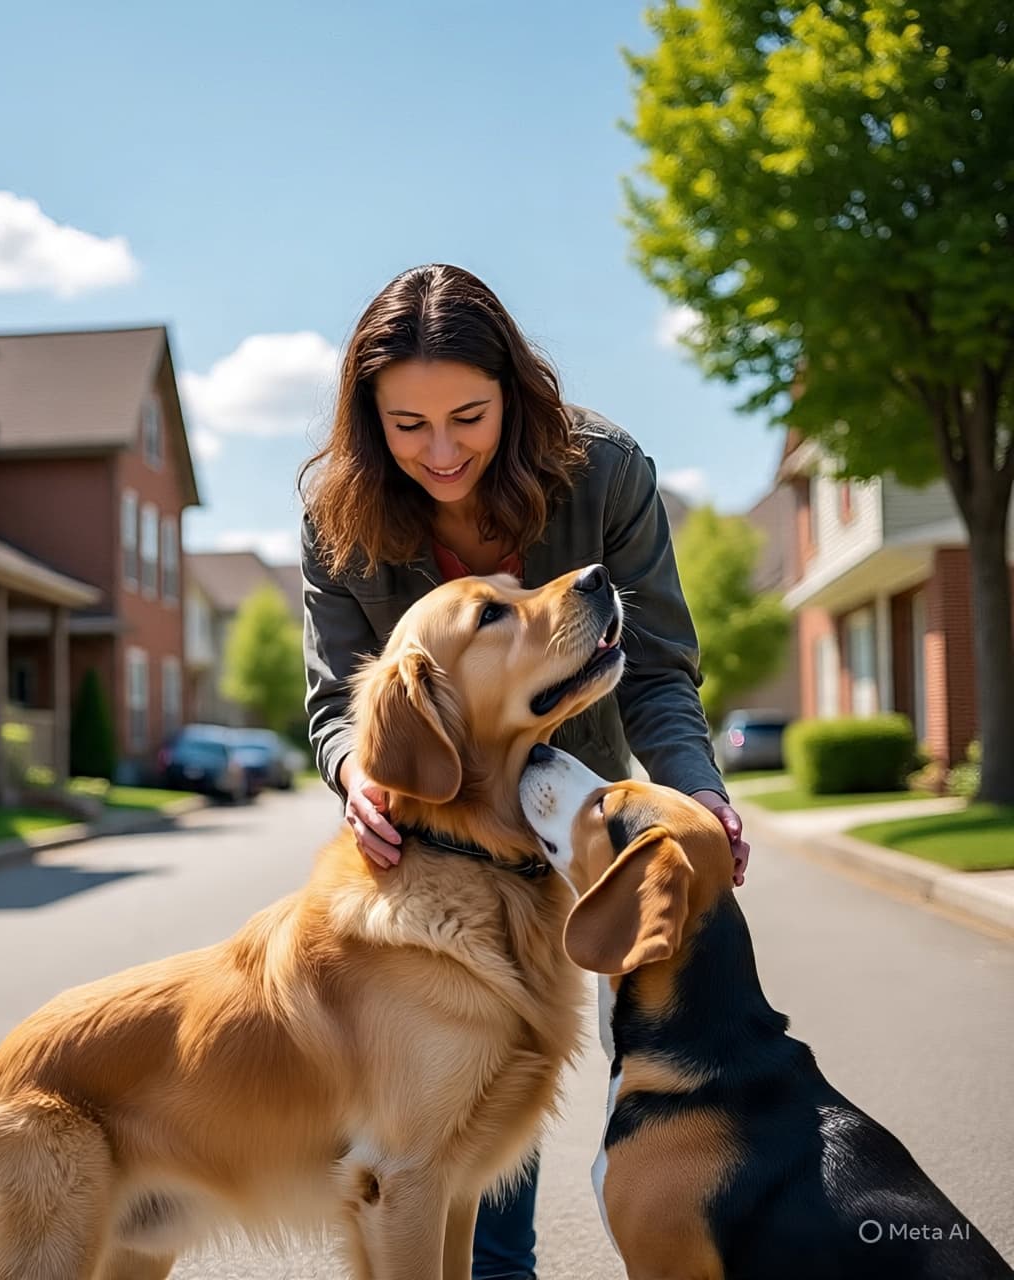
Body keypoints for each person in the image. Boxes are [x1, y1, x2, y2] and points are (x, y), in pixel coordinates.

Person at [298, 263, 749, 1280]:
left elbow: (659, 675)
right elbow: (337, 700)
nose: (442, 451)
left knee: (594, 1070)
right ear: (368, 419)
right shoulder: (339, 512)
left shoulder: (604, 471)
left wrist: (694, 790)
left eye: (467, 415)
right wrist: (351, 774)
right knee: (448, 1113)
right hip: (436, 842)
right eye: (406, 426)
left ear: (513, 390)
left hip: (578, 815)